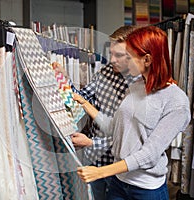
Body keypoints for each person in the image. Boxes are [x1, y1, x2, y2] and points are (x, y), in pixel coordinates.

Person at [75, 26, 191, 200]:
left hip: (146, 189)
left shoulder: (176, 101)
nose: (124, 62)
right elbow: (114, 128)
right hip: (119, 183)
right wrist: (84, 103)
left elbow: (149, 155)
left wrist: (100, 172)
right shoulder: (136, 87)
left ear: (147, 59)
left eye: (129, 57)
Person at [52, 25, 137, 200]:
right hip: (93, 161)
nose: (112, 60)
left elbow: (129, 135)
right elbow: (82, 97)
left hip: (119, 169)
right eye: (111, 53)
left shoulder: (140, 86)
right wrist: (65, 79)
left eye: (118, 55)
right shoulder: (106, 72)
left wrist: (91, 142)